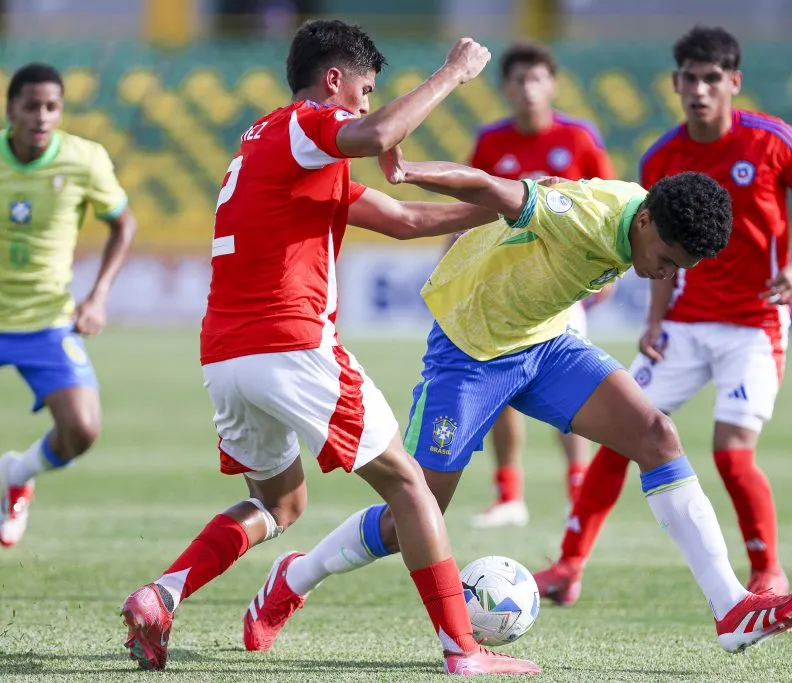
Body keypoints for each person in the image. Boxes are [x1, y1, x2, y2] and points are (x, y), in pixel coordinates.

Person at [245, 147, 792, 655]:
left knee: (657, 436)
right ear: (645, 220)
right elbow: (489, 186)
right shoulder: (586, 216)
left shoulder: (650, 218)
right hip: (469, 352)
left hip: (543, 344)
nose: (664, 273)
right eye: (667, 260)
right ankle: (294, 578)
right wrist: (407, 171)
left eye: (679, 268)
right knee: (411, 518)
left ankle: (730, 608)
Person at [119, 20, 539, 676]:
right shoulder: (306, 124)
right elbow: (375, 136)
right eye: (366, 91)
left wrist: (510, 204)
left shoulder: (272, 147)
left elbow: (405, 219)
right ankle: (464, 650)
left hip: (226, 354)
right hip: (289, 341)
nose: (368, 105)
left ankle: (161, 594)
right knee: (411, 485)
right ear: (334, 79)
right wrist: (452, 73)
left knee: (280, 503)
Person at [533, 25, 792, 605]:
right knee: (621, 436)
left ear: (734, 82)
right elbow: (658, 250)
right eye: (689, 79)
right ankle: (569, 566)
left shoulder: (773, 141)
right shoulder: (663, 156)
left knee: (732, 451)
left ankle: (767, 570)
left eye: (711, 79)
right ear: (676, 83)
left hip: (755, 325)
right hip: (682, 324)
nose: (699, 90)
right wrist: (655, 320)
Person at [465, 41, 617, 528]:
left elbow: (610, 205)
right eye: (519, 80)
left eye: (537, 78)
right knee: (502, 389)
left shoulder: (578, 138)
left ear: (553, 85)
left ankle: (578, 492)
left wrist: (611, 269)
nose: (528, 88)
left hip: (562, 288)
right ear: (506, 88)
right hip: (505, 288)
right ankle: (510, 497)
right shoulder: (491, 141)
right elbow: (471, 207)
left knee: (572, 389)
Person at [0, 63, 137, 548]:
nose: (41, 116)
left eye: (52, 107)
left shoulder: (84, 159)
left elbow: (123, 223)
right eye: (31, 106)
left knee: (82, 429)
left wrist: (98, 296)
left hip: (47, 320)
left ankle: (17, 474)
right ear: (11, 109)